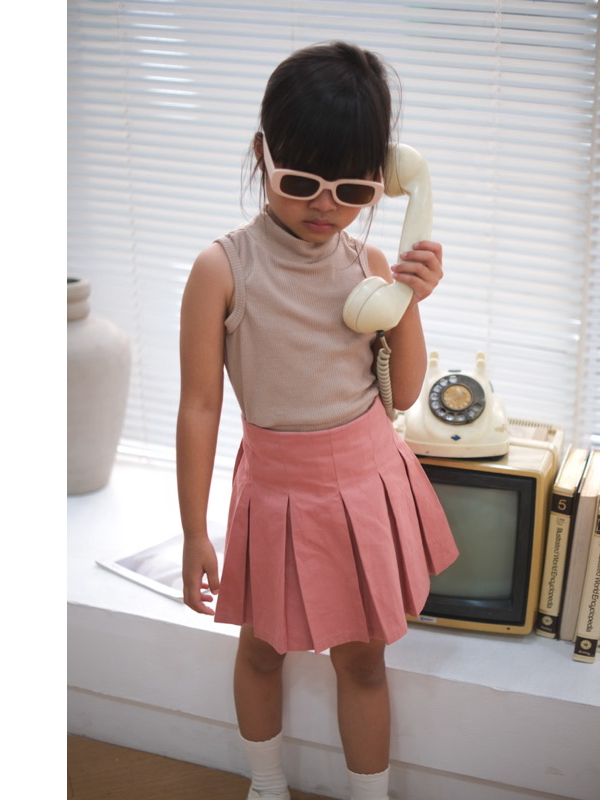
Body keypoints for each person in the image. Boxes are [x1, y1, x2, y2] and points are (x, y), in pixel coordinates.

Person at [177, 41, 458, 800]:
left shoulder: (370, 269)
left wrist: (409, 301)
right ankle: (266, 785)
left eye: (353, 190)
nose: (325, 207)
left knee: (363, 662)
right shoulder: (221, 269)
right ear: (262, 155)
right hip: (275, 490)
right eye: (301, 183)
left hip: (364, 484)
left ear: (383, 180)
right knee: (260, 650)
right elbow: (199, 406)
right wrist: (196, 531)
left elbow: (404, 394)